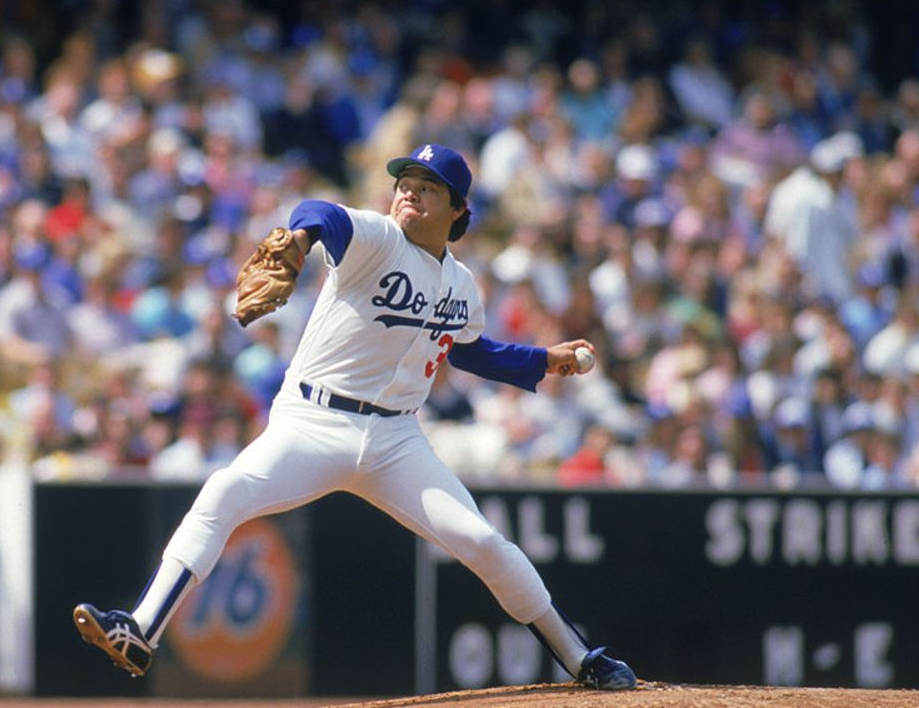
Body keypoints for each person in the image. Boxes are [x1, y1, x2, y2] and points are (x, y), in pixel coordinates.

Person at [72, 144, 637, 690]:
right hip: (312, 422)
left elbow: (467, 349)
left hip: (396, 439)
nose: (409, 194)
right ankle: (141, 628)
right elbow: (321, 213)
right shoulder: (377, 237)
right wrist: (298, 238)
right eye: (404, 184)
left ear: (459, 209)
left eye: (427, 188)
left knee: (485, 543)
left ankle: (579, 656)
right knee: (226, 491)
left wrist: (544, 361)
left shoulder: (461, 285)